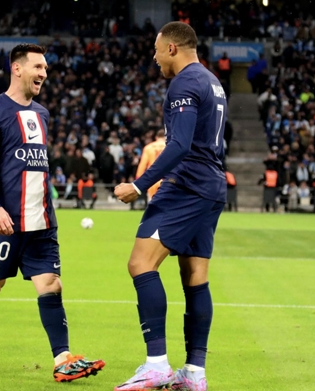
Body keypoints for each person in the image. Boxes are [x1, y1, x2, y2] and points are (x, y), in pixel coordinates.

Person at [0, 43, 104, 382]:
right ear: (17, 68)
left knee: (51, 284)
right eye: (38, 67)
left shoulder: (42, 113)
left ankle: (62, 359)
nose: (43, 73)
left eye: (45, 69)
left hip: (41, 222)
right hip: (5, 222)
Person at [113, 22, 227, 391]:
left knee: (140, 263)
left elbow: (177, 145)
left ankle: (156, 364)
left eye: (158, 49)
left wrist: (138, 184)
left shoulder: (184, 83)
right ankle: (194, 373)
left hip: (187, 185)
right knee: (195, 277)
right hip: (211, 186)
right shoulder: (212, 81)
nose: (155, 56)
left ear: (173, 49)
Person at [136, 129, 166, 200]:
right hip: (166, 179)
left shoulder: (148, 148)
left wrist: (138, 179)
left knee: (152, 203)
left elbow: (142, 165)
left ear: (156, 137)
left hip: (152, 179)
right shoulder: (169, 147)